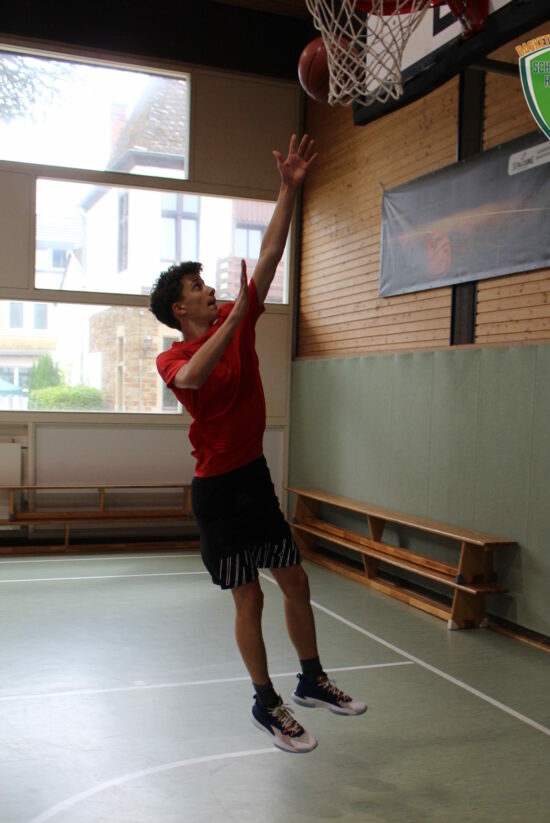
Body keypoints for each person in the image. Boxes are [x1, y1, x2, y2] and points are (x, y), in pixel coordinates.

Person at [150, 133, 366, 754]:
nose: (207, 289)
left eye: (205, 283)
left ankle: (312, 680)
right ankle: (265, 702)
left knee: (294, 580)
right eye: (197, 286)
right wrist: (238, 319)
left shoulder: (231, 319)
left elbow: (270, 254)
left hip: (253, 477)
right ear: (180, 307)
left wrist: (288, 189)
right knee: (249, 599)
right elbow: (194, 378)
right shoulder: (174, 356)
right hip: (217, 490)